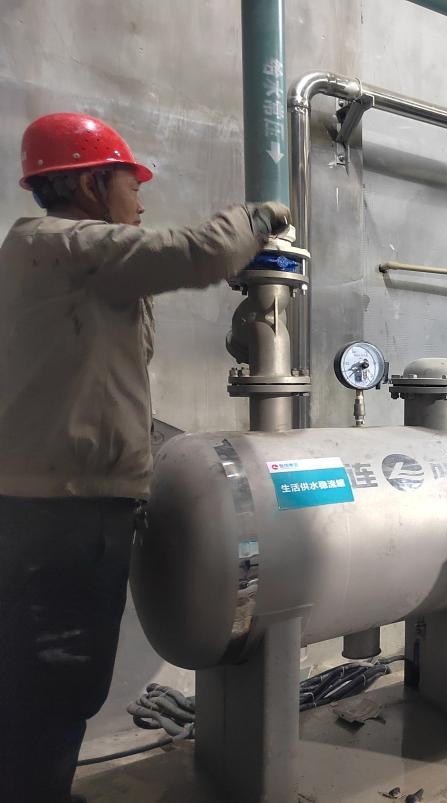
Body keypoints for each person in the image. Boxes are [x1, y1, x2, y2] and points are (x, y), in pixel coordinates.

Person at [0, 112, 290, 802]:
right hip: (66, 516)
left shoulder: (53, 263)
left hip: (53, 507)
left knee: (44, 682)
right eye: (131, 185)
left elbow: (90, 385)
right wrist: (263, 216)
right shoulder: (66, 246)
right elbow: (198, 253)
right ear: (89, 185)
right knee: (57, 679)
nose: (141, 202)